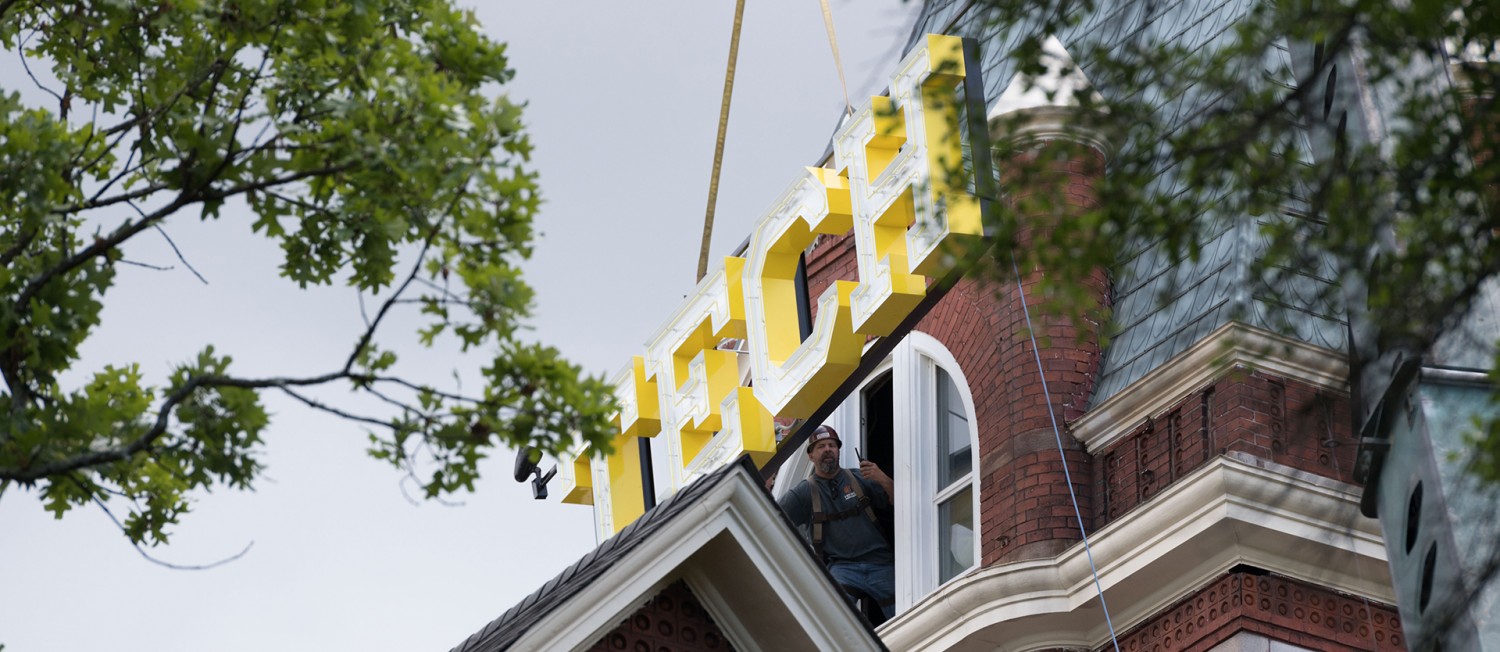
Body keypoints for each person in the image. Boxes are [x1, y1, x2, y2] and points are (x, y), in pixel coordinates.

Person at [775, 425, 896, 620]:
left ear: (838, 450)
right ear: (811, 456)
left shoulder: (858, 478)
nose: (828, 449)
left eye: (832, 445)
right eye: (821, 446)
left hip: (880, 562)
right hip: (843, 568)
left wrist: (881, 478)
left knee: (906, 610)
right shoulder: (804, 492)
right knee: (830, 615)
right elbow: (772, 521)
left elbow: (901, 502)